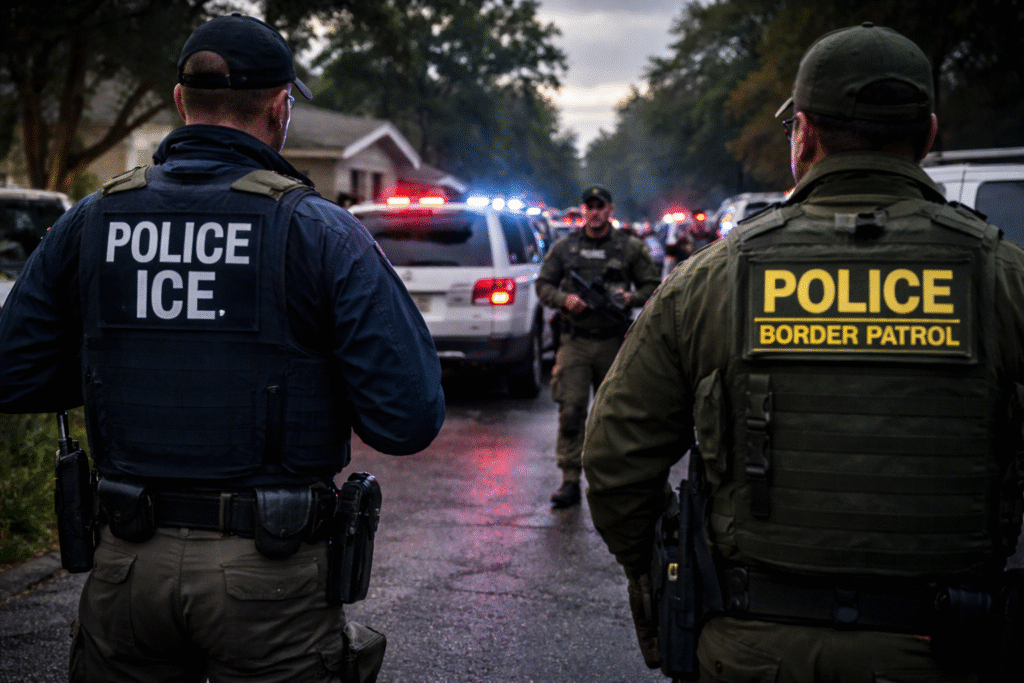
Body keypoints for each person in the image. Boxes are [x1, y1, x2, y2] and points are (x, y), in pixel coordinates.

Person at [0, 13, 445, 683]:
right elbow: (407, 417)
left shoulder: (92, 219)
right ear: (280, 107)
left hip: (125, 566)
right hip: (269, 577)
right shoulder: (320, 231)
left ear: (181, 102)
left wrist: (123, 360)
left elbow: (11, 373)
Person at [583, 23, 1024, 681]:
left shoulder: (711, 278)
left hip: (751, 649)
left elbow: (615, 458)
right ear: (928, 135)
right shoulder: (1004, 278)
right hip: (948, 649)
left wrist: (661, 576)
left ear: (804, 135)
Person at [536, 184, 661, 508]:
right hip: (576, 341)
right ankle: (570, 479)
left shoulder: (629, 247)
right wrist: (566, 299)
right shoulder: (565, 248)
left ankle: (613, 482)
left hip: (614, 341)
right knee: (572, 409)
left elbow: (653, 286)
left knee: (615, 415)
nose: (594, 212)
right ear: (583, 210)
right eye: (589, 206)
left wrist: (630, 298)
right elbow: (543, 284)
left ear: (610, 210)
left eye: (600, 206)